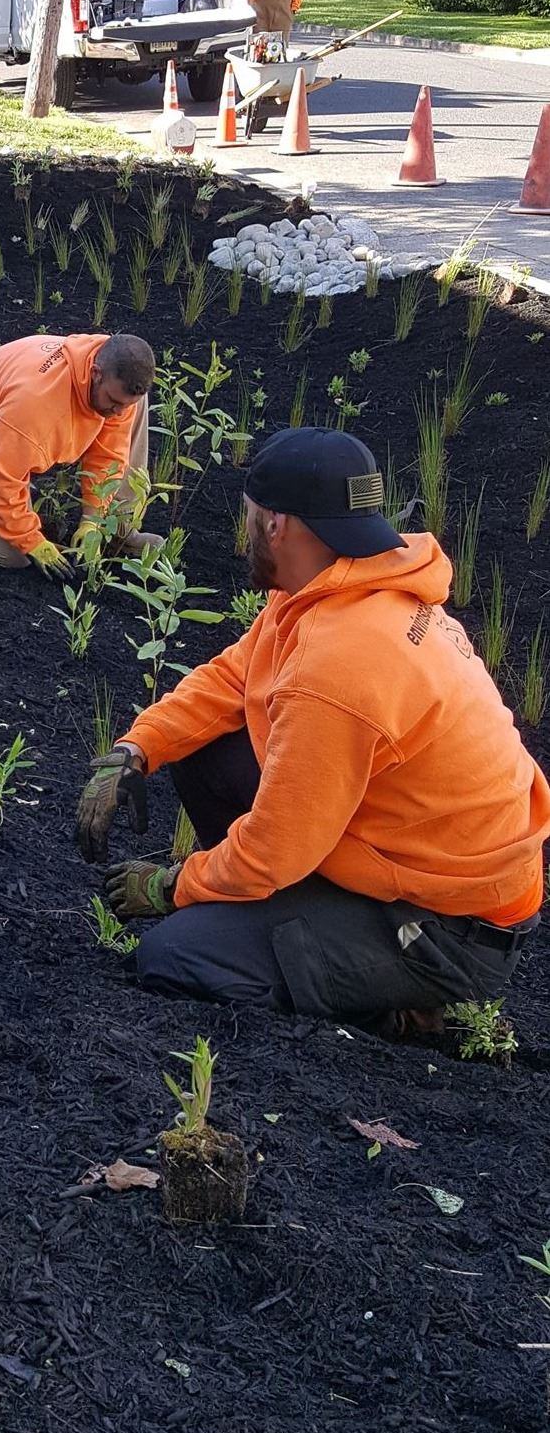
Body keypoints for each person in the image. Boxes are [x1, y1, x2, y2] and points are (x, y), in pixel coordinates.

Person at [75, 426, 547, 1035]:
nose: (245, 528)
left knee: (173, 957)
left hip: (452, 925)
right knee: (208, 748)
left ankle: (401, 1011)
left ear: (277, 524)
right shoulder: (340, 586)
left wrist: (171, 888)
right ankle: (281, 919)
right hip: (409, 859)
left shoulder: (339, 664)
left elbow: (275, 850)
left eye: (248, 515)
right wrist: (137, 748)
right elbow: (232, 679)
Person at [0, 331, 164, 578]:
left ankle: (120, 527)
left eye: (123, 405)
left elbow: (108, 455)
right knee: (11, 556)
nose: (119, 412)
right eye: (113, 401)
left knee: (133, 405)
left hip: (20, 436)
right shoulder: (35, 403)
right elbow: (0, 477)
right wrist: (32, 541)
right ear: (95, 373)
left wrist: (93, 521)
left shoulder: (117, 380)